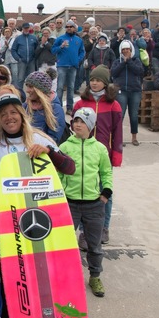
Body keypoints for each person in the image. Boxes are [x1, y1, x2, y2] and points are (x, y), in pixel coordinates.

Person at [0, 93, 75, 318]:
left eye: (13, 112)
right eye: (3, 114)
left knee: (30, 269)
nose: (8, 117)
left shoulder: (37, 138)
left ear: (22, 114)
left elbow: (70, 167)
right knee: (5, 270)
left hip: (32, 216)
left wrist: (49, 152)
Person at [58, 107, 113, 298]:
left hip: (94, 204)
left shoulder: (99, 149)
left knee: (94, 244)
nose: (78, 124)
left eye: (82, 121)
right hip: (69, 203)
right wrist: (59, 192)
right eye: (75, 121)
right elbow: (57, 172)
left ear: (91, 125)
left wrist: (106, 192)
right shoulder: (65, 147)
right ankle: (65, 276)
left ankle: (95, 276)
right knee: (64, 243)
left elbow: (106, 172)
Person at [73, 65, 123, 245]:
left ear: (105, 82)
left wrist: (116, 155)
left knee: (104, 191)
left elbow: (117, 132)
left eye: (98, 80)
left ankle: (104, 228)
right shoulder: (80, 103)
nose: (94, 83)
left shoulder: (114, 104)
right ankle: (85, 232)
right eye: (92, 80)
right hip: (82, 154)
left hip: (103, 155)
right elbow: (74, 128)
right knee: (85, 194)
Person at [111, 40, 144, 146]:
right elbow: (113, 73)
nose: (125, 51)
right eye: (123, 49)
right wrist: (123, 63)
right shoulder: (117, 61)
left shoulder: (136, 60)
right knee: (120, 115)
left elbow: (139, 71)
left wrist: (129, 61)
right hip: (121, 91)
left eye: (127, 49)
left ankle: (134, 137)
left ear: (131, 50)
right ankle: (118, 137)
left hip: (134, 90)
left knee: (134, 115)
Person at [52, 20, 85, 115]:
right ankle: (58, 107)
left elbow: (82, 52)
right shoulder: (60, 38)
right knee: (60, 87)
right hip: (62, 65)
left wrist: (77, 60)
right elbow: (53, 50)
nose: (69, 28)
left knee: (71, 87)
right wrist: (60, 47)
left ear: (74, 28)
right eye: (67, 27)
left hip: (73, 66)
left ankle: (70, 108)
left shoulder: (78, 40)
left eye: (71, 27)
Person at [23, 70, 66, 142]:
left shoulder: (55, 109)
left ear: (40, 90)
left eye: (30, 87)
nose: (27, 90)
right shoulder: (25, 106)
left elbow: (53, 139)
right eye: (27, 86)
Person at [11, 22, 38, 89]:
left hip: (31, 61)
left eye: (27, 28)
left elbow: (37, 49)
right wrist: (18, 58)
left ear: (29, 28)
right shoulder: (18, 38)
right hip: (22, 61)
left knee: (32, 79)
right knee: (20, 79)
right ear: (22, 29)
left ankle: (32, 95)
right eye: (25, 28)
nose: (26, 29)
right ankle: (20, 95)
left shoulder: (34, 38)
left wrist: (35, 58)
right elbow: (13, 50)